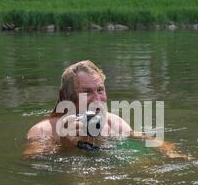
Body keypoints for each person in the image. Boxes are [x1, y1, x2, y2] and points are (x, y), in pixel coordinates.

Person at [24, 60, 188, 159]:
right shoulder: (43, 131)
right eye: (87, 92)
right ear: (69, 98)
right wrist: (65, 146)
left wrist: (169, 150)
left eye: (100, 90)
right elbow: (31, 159)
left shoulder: (113, 122)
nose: (97, 99)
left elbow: (143, 137)